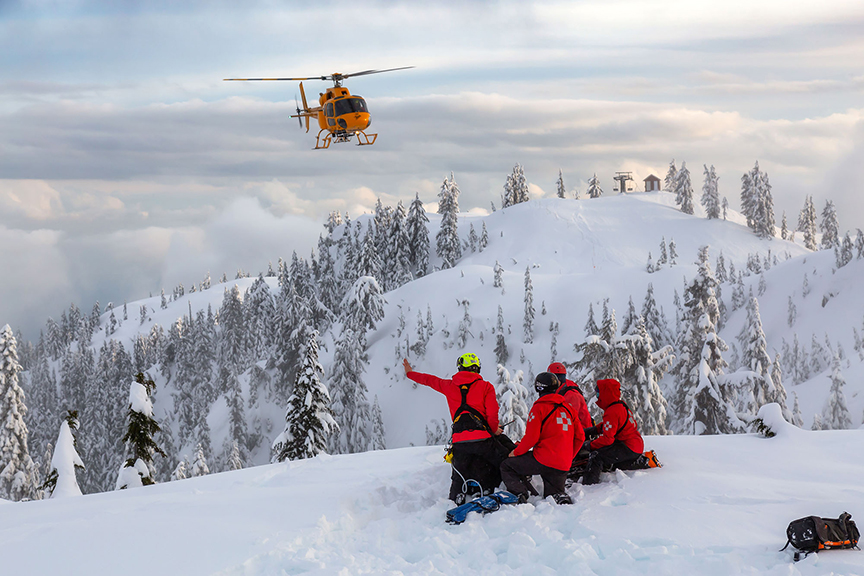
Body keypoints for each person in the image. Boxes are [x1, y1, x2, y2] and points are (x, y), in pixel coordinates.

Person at [403, 353, 505, 503]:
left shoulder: (449, 386)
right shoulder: (486, 387)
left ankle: (455, 497)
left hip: (459, 441)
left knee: (459, 472)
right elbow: (492, 414)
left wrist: (410, 373)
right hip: (483, 440)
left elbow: (429, 380)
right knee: (502, 460)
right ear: (477, 368)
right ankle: (490, 488)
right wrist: (494, 429)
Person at [500, 372, 584, 504]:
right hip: (563, 464)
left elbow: (531, 438)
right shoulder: (569, 409)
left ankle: (520, 494)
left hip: (543, 460)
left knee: (507, 466)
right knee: (553, 497)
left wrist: (515, 452)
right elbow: (580, 437)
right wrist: (568, 457)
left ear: (538, 388)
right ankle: (560, 499)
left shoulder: (539, 408)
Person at [582, 378, 644, 485]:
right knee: (606, 454)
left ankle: (589, 485)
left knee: (596, 456)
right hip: (634, 444)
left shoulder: (612, 411)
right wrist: (593, 430)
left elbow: (607, 440)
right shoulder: (619, 405)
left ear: (606, 393)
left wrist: (589, 445)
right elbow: (612, 426)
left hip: (628, 446)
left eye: (598, 393)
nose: (597, 396)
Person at [547, 362, 593, 429]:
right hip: (572, 431)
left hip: (582, 433)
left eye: (551, 380)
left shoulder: (572, 395)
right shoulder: (560, 390)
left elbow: (568, 419)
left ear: (558, 379)